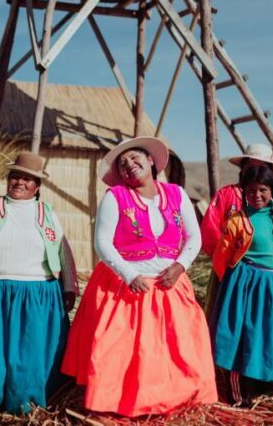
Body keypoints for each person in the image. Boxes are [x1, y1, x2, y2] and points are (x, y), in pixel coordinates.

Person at [61, 137, 217, 416]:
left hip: (170, 283)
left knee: (176, 345)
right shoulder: (116, 198)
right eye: (123, 165)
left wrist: (180, 266)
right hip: (128, 285)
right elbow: (103, 243)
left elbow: (194, 236)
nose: (129, 166)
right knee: (128, 349)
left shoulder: (177, 195)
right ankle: (124, 400)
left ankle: (176, 398)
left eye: (135, 159)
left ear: (151, 161)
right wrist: (130, 274)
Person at [0, 144, 78, 416]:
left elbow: (62, 249)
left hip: (38, 295)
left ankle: (26, 405)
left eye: (27, 178)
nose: (20, 181)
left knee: (29, 355)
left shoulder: (48, 213)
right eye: (15, 176)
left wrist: (68, 287)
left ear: (37, 185)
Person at [210, 164, 273, 406]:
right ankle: (239, 393)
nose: (257, 195)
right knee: (243, 335)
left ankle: (268, 389)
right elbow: (221, 257)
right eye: (251, 190)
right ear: (244, 191)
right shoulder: (237, 220)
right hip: (245, 286)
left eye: (263, 190)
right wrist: (233, 285)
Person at [199, 143, 273, 319]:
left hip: (271, 274)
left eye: (263, 167)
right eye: (252, 166)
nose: (256, 170)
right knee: (229, 315)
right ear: (243, 168)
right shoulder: (226, 194)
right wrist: (227, 263)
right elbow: (209, 230)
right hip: (230, 269)